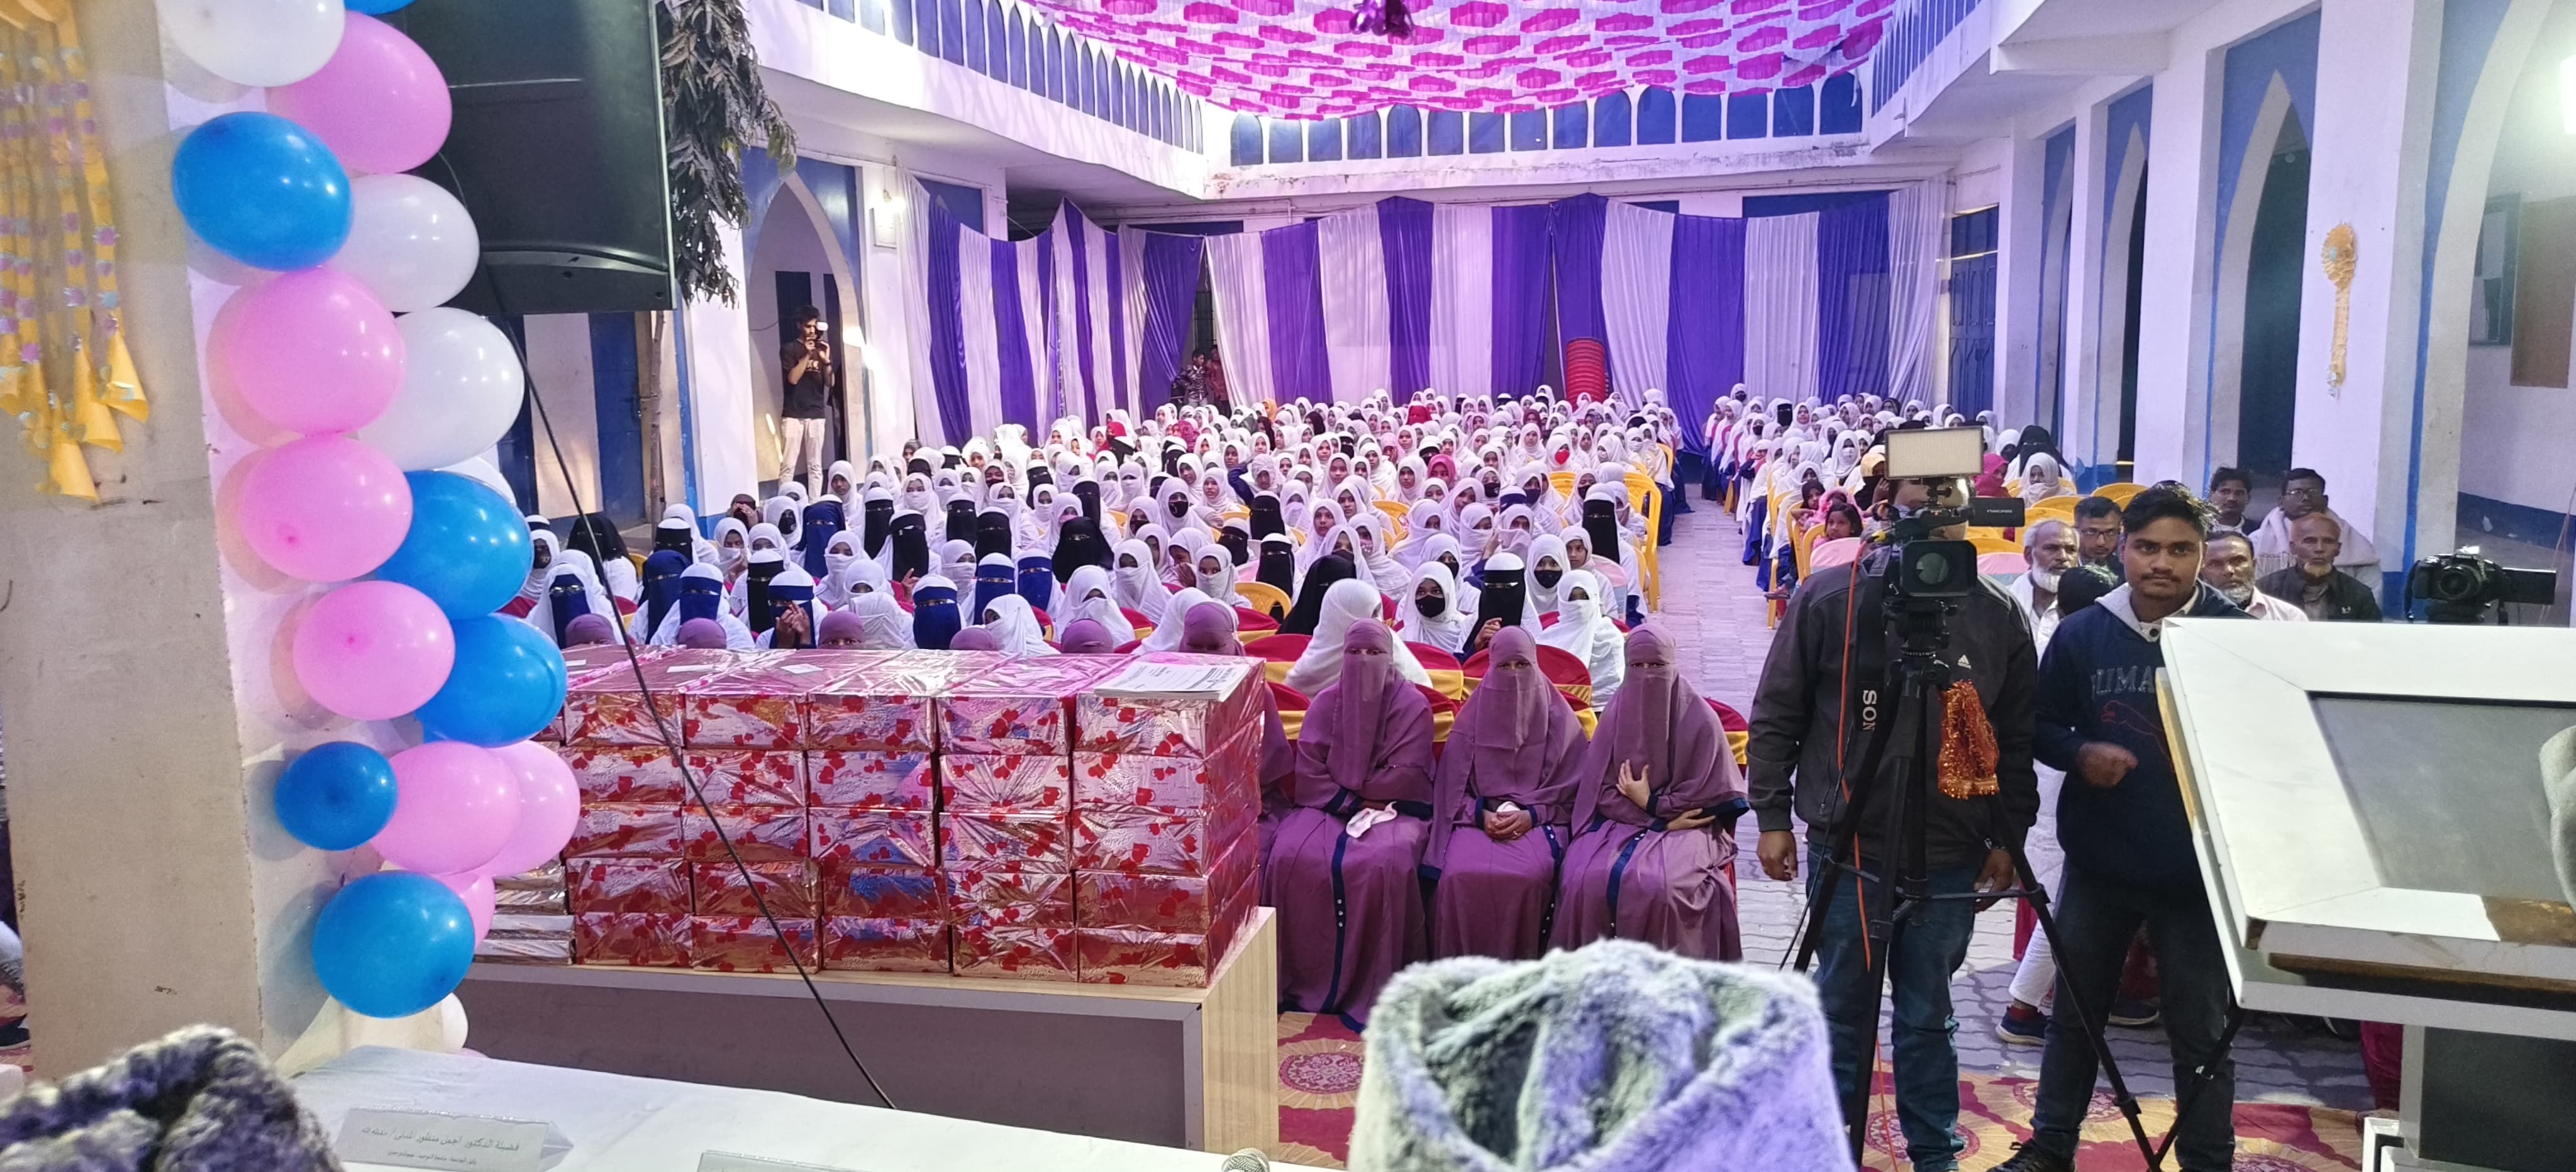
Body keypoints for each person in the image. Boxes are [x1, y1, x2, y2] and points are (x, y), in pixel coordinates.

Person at [1745, 470, 2040, 1172]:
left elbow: (2017, 737)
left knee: (1928, 1012)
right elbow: (1778, 710)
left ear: (1969, 520)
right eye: (1917, 510)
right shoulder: (1831, 597)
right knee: (1840, 1005)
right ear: (1887, 515)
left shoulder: (1997, 613)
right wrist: (1771, 814)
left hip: (1953, 844)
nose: (1934, 526)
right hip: (1850, 839)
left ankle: (1933, 1152)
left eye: (1950, 512)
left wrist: (2011, 837)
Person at [1994, 486, 2246, 1172]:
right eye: (2147, 547)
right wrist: (2080, 753)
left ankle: (2207, 1161)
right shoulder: (2083, 633)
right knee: (2075, 1016)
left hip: (2198, 871)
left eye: (2180, 550)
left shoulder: (2235, 636)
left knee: (2201, 1029)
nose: (2162, 563)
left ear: (2201, 554)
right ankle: (2051, 1147)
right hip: (2101, 863)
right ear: (2122, 549)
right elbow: (2038, 725)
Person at [1266, 619, 1435, 1027]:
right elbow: (1310, 769)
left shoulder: (1413, 707)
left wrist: (1356, 787)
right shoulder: (1326, 702)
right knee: (1289, 855)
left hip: (1397, 810)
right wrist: (1353, 798)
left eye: (1374, 653)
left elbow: (1405, 775)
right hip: (1326, 806)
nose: (1364, 661)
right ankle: (1298, 980)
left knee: (1384, 863)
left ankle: (1374, 984)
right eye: (1354, 653)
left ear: (1391, 657)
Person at [1549, 626, 1747, 960]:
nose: (1646, 675)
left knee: (1665, 887)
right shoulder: (1615, 715)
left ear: (1672, 665)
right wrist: (1652, 817)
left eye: (1656, 666)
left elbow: (1716, 797)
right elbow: (1600, 790)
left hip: (1689, 827)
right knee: (1584, 880)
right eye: (1637, 666)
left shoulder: (1700, 719)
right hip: (1619, 823)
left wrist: (1654, 803)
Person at [1424, 626, 1585, 960]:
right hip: (1475, 820)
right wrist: (1479, 815)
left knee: (1529, 878)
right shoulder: (1471, 719)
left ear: (1535, 666)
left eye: (1522, 665)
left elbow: (1574, 795)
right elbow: (1450, 791)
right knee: (1457, 876)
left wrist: (1533, 816)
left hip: (1541, 820)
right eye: (1504, 667)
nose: (1513, 675)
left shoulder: (1561, 720)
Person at [2250, 467, 2379, 582]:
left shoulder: (2355, 544)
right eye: (2297, 493)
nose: (2306, 498)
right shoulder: (2257, 541)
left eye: (2313, 492)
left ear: (2325, 500)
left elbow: (2371, 592)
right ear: (2281, 502)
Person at [2257, 512, 2382, 621]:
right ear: (2293, 548)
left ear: (2338, 549)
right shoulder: (2267, 589)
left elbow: (2372, 637)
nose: (2320, 549)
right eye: (2310, 541)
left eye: (2328, 541)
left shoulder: (2358, 594)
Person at [780, 307, 833, 497]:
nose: (812, 331)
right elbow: (793, 379)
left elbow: (830, 383)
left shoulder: (822, 349)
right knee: (788, 465)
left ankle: (815, 503)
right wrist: (807, 355)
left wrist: (826, 361)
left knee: (815, 465)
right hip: (793, 413)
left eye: (815, 326)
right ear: (800, 326)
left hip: (816, 413)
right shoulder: (789, 349)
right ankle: (784, 503)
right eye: (808, 326)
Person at [2201, 531, 2305, 621]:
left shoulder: (2289, 617)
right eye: (2214, 564)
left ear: (2254, 565)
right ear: (2200, 570)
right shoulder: (2193, 614)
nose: (2228, 571)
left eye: (2238, 561)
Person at [2009, 519, 2081, 646]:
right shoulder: (2002, 603)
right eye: (2051, 548)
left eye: (2071, 550)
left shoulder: (2087, 607)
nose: (2063, 557)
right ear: (2029, 555)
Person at [2072, 494, 2124, 572]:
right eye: (2091, 532)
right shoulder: (2060, 564)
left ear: (2119, 531)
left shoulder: (2127, 567)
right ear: (2075, 531)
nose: (2101, 543)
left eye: (2110, 533)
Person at [2205, 467, 2251, 538]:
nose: (2232, 499)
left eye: (2239, 493)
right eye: (2225, 492)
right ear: (2211, 495)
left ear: (2248, 498)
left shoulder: (2259, 532)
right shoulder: (2196, 529)